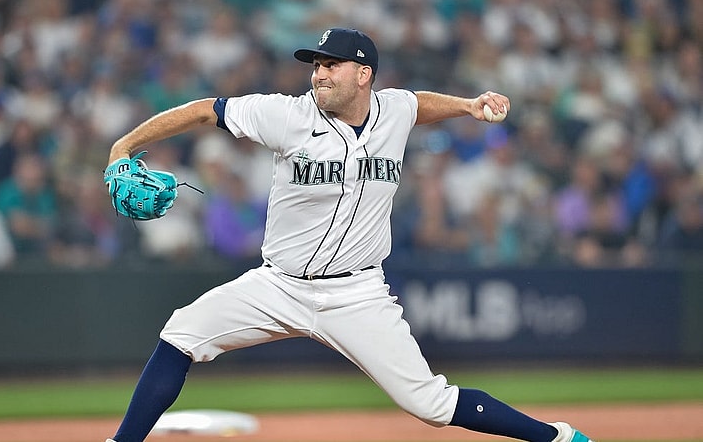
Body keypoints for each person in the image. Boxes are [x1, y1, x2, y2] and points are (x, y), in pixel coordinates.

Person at [103, 28, 593, 442]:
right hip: (277, 285)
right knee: (180, 334)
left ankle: (558, 437)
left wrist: (467, 106)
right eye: (316, 64)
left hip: (356, 293)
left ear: (363, 75)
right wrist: (126, 144)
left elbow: (416, 104)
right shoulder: (286, 115)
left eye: (331, 64)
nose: (318, 73)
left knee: (430, 404)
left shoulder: (393, 110)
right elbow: (206, 110)